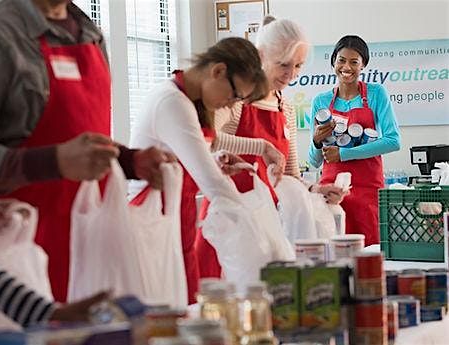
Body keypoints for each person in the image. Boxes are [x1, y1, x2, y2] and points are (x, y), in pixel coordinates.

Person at [0, 0, 173, 302]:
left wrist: (129, 161)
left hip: (92, 251)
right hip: (20, 262)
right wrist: (53, 162)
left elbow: (85, 136)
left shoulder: (89, 33)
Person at [195, 16, 347, 278]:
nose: (291, 75)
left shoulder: (284, 107)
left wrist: (316, 189)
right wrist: (260, 146)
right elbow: (207, 139)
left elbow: (290, 175)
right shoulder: (236, 99)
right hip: (232, 220)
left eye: (298, 66)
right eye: (284, 65)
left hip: (270, 222)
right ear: (262, 56)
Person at [128, 37, 268, 304]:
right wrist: (255, 234)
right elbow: (212, 184)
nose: (230, 105)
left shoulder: (191, 102)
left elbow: (188, 159)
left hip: (178, 220)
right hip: (155, 224)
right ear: (218, 71)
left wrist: (214, 159)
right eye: (233, 96)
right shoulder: (172, 102)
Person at [308, 35, 400, 245]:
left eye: (354, 62)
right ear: (333, 62)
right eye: (341, 60)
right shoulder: (321, 101)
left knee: (370, 254)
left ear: (363, 65)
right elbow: (314, 161)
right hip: (331, 192)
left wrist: (343, 153)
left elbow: (393, 140)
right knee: (333, 252)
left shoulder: (376, 93)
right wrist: (316, 141)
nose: (346, 67)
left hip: (368, 191)